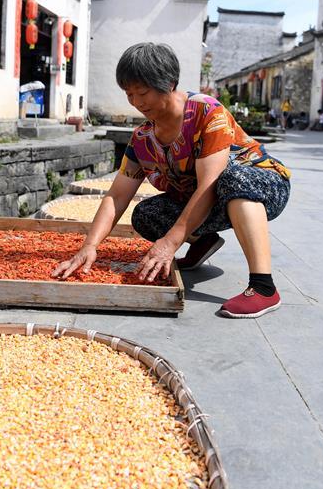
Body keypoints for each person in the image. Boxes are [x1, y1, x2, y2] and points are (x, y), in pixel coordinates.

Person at [51, 42, 291, 318]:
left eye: (143, 92)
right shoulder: (142, 138)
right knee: (146, 214)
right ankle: (202, 241)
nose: (137, 102)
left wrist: (170, 243)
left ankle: (263, 287)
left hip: (260, 184)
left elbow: (209, 185)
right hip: (211, 198)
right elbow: (116, 196)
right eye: (129, 94)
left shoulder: (206, 112)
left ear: (169, 83)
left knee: (231, 178)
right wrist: (90, 246)